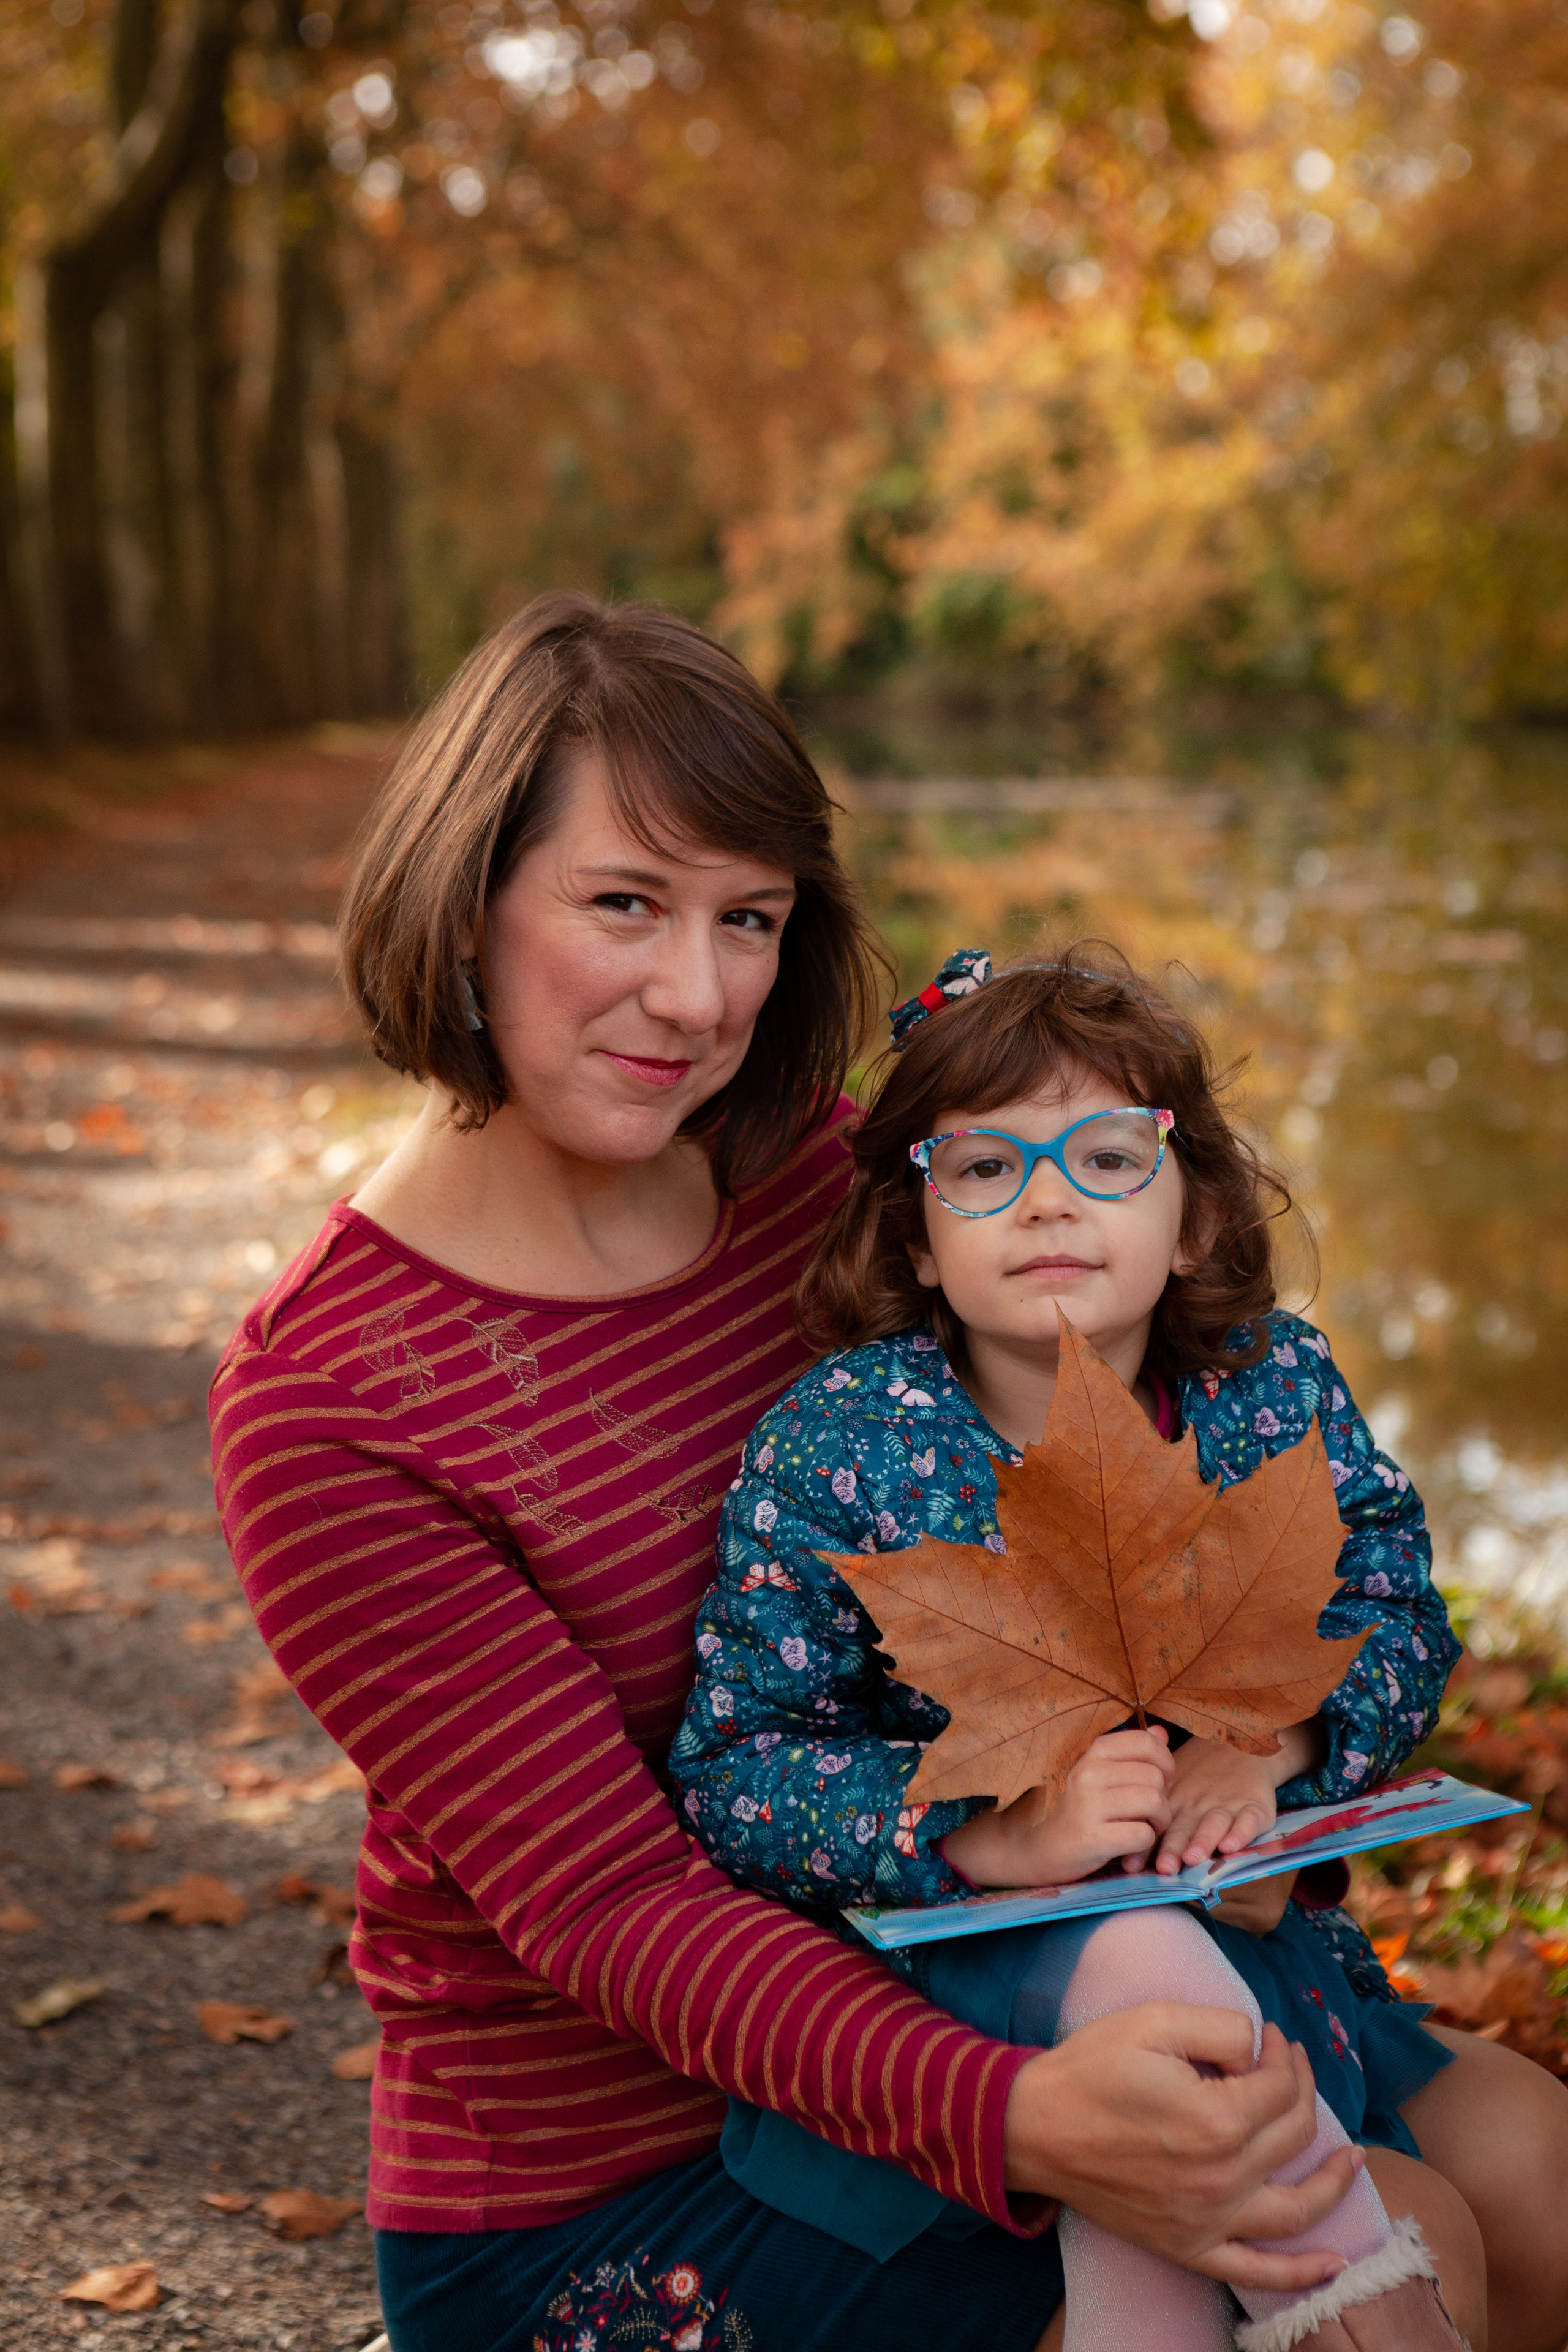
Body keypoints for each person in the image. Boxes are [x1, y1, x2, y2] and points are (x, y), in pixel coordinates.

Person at [206, 595, 1459, 2352]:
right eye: (624, 904)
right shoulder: (332, 1402)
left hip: (1036, 1938)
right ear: (462, 890)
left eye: (752, 920)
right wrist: (1019, 2120)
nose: (699, 994)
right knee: (1409, 2251)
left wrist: (1260, 1725)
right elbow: (615, 1909)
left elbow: (1125, 1439)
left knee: (1536, 2187)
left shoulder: (829, 1183)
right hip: (630, 2157)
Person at [671, 945, 1568, 2352]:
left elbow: (1392, 1608)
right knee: (1331, 2194)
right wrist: (982, 1830)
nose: (1044, 1200)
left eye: (1105, 1156)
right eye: (980, 1169)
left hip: (1278, 1952)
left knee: (1531, 2153)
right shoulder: (844, 1444)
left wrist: (1276, 1745)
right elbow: (737, 1766)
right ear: (913, 1237)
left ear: (1196, 1218)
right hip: (985, 1996)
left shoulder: (1267, 1389)